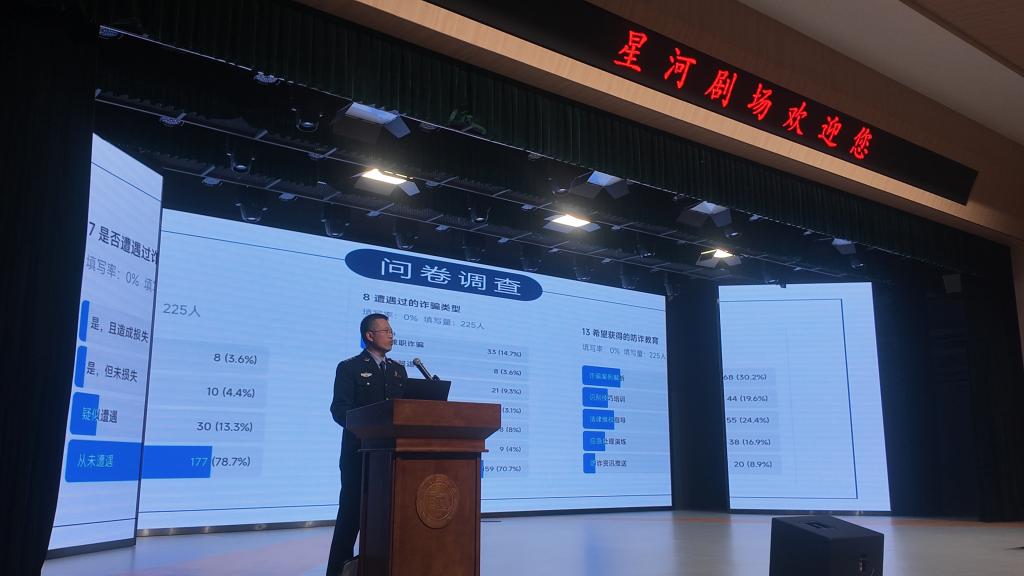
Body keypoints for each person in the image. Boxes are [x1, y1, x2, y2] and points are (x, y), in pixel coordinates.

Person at [326, 313, 407, 575]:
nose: (391, 335)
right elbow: (339, 410)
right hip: (358, 455)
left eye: (391, 331)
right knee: (350, 517)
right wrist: (366, 429)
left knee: (389, 518)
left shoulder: (398, 370)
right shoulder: (349, 367)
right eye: (385, 331)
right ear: (369, 336)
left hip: (392, 458)